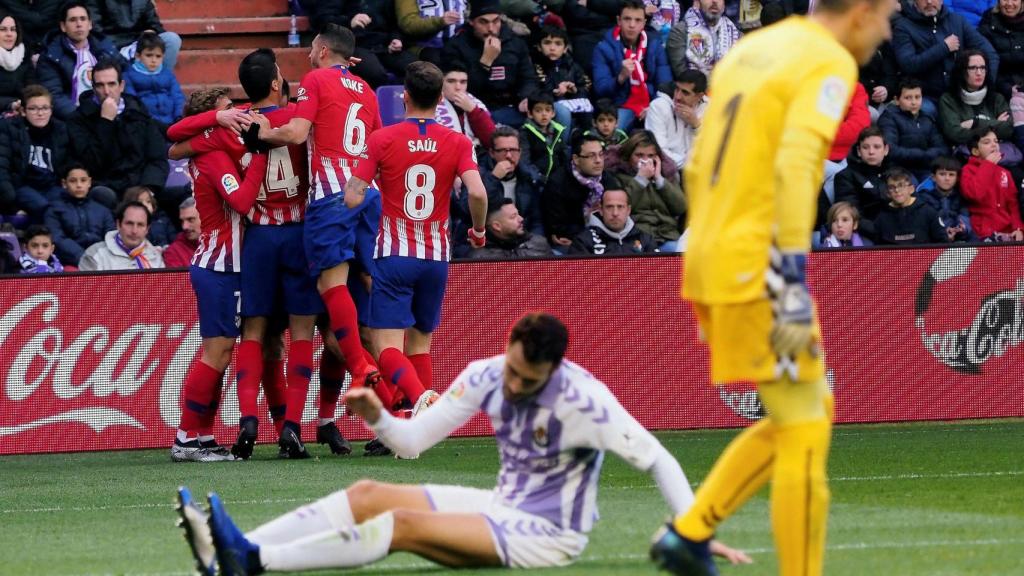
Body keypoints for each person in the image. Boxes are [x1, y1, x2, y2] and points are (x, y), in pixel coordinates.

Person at [177, 312, 751, 575]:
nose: (513, 384)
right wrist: (379, 416)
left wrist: (695, 532)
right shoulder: (486, 374)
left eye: (527, 379)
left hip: (548, 535)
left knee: (402, 526)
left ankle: (256, 561)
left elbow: (659, 460)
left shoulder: (586, 401)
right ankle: (236, 550)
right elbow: (410, 443)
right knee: (370, 492)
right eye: (512, 369)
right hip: (502, 506)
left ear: (554, 370)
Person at [650, 0, 895, 574]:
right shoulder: (827, 60)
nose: (886, 31)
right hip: (758, 260)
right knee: (806, 422)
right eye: (885, 14)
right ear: (860, 11)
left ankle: (691, 531)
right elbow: (794, 167)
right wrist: (789, 280)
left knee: (806, 409)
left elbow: (698, 163)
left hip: (714, 249)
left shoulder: (755, 49)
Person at [344, 60, 488, 422]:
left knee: (385, 345)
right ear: (440, 99)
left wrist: (360, 185)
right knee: (420, 339)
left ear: (404, 96)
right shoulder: (457, 141)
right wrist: (478, 230)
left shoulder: (382, 139)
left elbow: (353, 197)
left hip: (395, 254)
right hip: (436, 257)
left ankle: (421, 395)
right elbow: (477, 192)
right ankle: (419, 424)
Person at [248, 24, 382, 394]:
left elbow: (295, 132)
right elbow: (377, 147)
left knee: (329, 284)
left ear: (323, 51)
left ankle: (361, 368)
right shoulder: (367, 90)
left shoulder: (316, 79)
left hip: (333, 198)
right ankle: (400, 390)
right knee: (370, 286)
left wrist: (262, 133)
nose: (308, 54)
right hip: (368, 194)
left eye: (311, 48)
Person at [170, 88, 269, 463]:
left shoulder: (212, 147)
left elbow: (175, 144)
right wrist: (259, 157)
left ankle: (203, 435)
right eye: (228, 109)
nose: (235, 113)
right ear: (212, 117)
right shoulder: (211, 156)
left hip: (231, 265)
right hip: (218, 265)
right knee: (217, 352)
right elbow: (241, 201)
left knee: (223, 353)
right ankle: (185, 438)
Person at [68, 57, 170, 198]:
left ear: (121, 86)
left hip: (141, 187)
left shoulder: (137, 113)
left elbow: (157, 158)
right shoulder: (78, 120)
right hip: (105, 189)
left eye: (111, 84)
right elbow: (91, 164)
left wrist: (148, 189)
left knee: (187, 196)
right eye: (100, 85)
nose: (106, 91)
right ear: (93, 88)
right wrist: (105, 122)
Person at [440, 0, 539, 128]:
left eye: (495, 21)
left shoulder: (514, 42)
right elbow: (460, 89)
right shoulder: (456, 46)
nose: (491, 29)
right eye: (483, 22)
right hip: (476, 109)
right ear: (471, 22)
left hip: (513, 106)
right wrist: (486, 61)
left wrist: (525, 98)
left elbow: (528, 77)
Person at [892, 0, 998, 116]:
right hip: (925, 97)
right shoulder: (903, 27)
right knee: (921, 111)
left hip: (959, 95)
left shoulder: (957, 21)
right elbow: (908, 64)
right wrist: (944, 48)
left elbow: (990, 54)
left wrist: (986, 84)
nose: (929, 2)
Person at [592, 0, 673, 131]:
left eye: (637, 20)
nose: (632, 25)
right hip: (620, 106)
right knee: (615, 130)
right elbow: (600, 90)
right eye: (627, 19)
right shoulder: (603, 48)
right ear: (619, 21)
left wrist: (654, 107)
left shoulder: (655, 45)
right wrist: (620, 78)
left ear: (644, 23)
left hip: (651, 104)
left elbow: (665, 85)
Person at [35, 1, 120, 119]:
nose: (79, 24)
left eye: (83, 19)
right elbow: (54, 95)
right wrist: (84, 118)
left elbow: (125, 77)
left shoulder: (106, 47)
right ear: (63, 26)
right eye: (73, 20)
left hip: (114, 110)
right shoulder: (51, 56)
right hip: (75, 118)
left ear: (90, 24)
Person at [606, 130, 686, 251]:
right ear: (629, 156)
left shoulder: (667, 173)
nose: (645, 160)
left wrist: (660, 180)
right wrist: (640, 180)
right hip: (636, 238)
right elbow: (620, 207)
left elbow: (680, 207)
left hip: (667, 236)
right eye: (639, 155)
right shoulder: (616, 175)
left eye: (650, 156)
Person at [542, 132, 619, 249]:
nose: (598, 160)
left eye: (601, 154)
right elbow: (558, 228)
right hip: (573, 241)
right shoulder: (557, 183)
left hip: (605, 238)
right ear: (576, 159)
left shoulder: (608, 180)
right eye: (591, 156)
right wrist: (585, 239)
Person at [939, 50, 1015, 148]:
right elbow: (954, 134)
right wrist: (995, 123)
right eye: (973, 68)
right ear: (962, 71)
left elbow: (1008, 129)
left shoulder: (997, 99)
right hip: (967, 154)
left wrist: (975, 123)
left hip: (998, 153)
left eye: (982, 68)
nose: (979, 73)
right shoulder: (948, 100)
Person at [958, 128, 1024, 241]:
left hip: (1009, 232)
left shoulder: (1005, 173)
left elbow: (1013, 205)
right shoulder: (967, 170)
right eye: (987, 142)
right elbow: (975, 194)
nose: (994, 145)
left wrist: (1018, 228)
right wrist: (988, 165)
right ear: (975, 151)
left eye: (996, 141)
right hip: (983, 234)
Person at [877, 77, 949, 180]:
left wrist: (925, 156)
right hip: (898, 170)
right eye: (908, 98)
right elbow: (890, 149)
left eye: (917, 97)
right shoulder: (888, 118)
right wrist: (922, 155)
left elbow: (942, 148)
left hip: (925, 169)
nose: (914, 102)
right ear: (896, 100)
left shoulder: (927, 119)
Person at [43, 162, 113, 265]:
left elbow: (111, 237)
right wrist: (84, 258)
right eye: (73, 181)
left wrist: (101, 258)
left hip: (102, 262)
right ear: (64, 183)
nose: (79, 185)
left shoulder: (103, 211)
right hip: (68, 263)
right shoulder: (54, 209)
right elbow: (57, 239)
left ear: (89, 182)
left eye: (83, 180)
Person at [532, 25, 593, 140]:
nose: (552, 48)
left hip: (574, 109)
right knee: (562, 110)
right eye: (547, 43)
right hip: (548, 108)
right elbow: (534, 91)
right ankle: (561, 145)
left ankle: (586, 139)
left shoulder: (573, 66)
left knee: (587, 105)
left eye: (558, 44)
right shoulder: (535, 66)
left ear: (565, 48)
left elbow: (586, 86)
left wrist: (575, 90)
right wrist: (555, 92)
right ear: (539, 47)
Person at [85, 0, 182, 70]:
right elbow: (95, 31)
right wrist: (114, 53)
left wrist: (151, 33)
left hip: (137, 46)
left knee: (171, 39)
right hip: (110, 47)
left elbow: (156, 27)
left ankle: (160, 82)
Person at [832, 126, 892, 238]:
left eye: (877, 147)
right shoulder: (845, 177)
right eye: (865, 147)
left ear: (886, 150)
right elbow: (850, 214)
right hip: (863, 234)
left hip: (896, 232)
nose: (871, 152)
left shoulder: (896, 173)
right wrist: (881, 233)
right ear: (859, 151)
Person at [645, 71, 709, 173]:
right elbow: (658, 148)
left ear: (699, 96)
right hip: (668, 170)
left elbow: (711, 148)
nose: (678, 96)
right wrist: (689, 166)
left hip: (700, 170)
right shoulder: (658, 106)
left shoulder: (709, 108)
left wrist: (696, 125)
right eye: (677, 89)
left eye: (685, 93)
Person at [78, 199, 165, 270]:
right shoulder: (95, 254)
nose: (134, 231)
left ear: (147, 229)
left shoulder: (155, 256)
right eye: (129, 223)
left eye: (140, 225)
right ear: (118, 225)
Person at [569, 187, 658, 255]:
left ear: (628, 210)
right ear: (600, 210)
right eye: (609, 207)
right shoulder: (583, 241)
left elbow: (658, 271)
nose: (615, 213)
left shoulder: (645, 239)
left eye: (620, 207)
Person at [123, 31, 184, 127]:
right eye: (149, 55)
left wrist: (178, 116)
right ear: (138, 56)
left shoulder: (167, 74)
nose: (153, 60)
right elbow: (131, 100)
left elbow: (177, 96)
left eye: (158, 56)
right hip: (146, 124)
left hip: (170, 121)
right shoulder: (129, 75)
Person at [667, 0, 741, 79]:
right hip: (696, 85)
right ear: (697, 3)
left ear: (724, 6)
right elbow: (682, 74)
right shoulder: (680, 31)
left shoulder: (736, 34)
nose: (714, 1)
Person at [874, 166, 948, 244]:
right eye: (892, 187)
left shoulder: (929, 213)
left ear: (911, 189)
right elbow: (877, 247)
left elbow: (943, 243)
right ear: (888, 193)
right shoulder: (881, 217)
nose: (897, 190)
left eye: (901, 185)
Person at [435, 62, 495, 149]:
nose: (458, 87)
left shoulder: (474, 103)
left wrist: (473, 111)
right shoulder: (428, 104)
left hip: (475, 153)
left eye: (463, 82)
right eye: (451, 81)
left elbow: (492, 141)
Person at [468, 197, 554, 259]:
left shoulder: (538, 243)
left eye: (518, 214)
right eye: (513, 217)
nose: (521, 219)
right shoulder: (481, 258)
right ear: (497, 226)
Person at [916, 155, 976, 241]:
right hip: (933, 241)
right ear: (933, 177)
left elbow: (964, 217)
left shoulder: (962, 196)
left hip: (958, 240)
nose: (947, 178)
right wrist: (942, 234)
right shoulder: (923, 196)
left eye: (951, 175)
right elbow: (923, 224)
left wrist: (962, 229)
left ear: (957, 178)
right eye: (942, 174)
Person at [979, 0, 1024, 98]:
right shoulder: (988, 23)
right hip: (999, 90)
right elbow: (985, 63)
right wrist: (1007, 89)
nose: (1009, 3)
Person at [519, 92, 567, 181]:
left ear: (553, 113)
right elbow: (524, 162)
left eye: (548, 110)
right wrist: (538, 178)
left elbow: (563, 156)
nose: (544, 114)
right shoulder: (525, 133)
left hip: (556, 179)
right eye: (538, 111)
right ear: (530, 114)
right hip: (536, 180)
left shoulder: (558, 130)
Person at [0, 10, 34, 115]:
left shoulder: (24, 55)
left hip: (22, 111)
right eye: (3, 29)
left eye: (13, 29)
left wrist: (23, 104)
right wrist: (10, 104)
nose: (9, 34)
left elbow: (32, 88)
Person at [162, 196, 200, 268]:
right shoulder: (174, 252)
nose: (184, 227)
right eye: (182, 221)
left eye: (190, 220)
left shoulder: (222, 246)